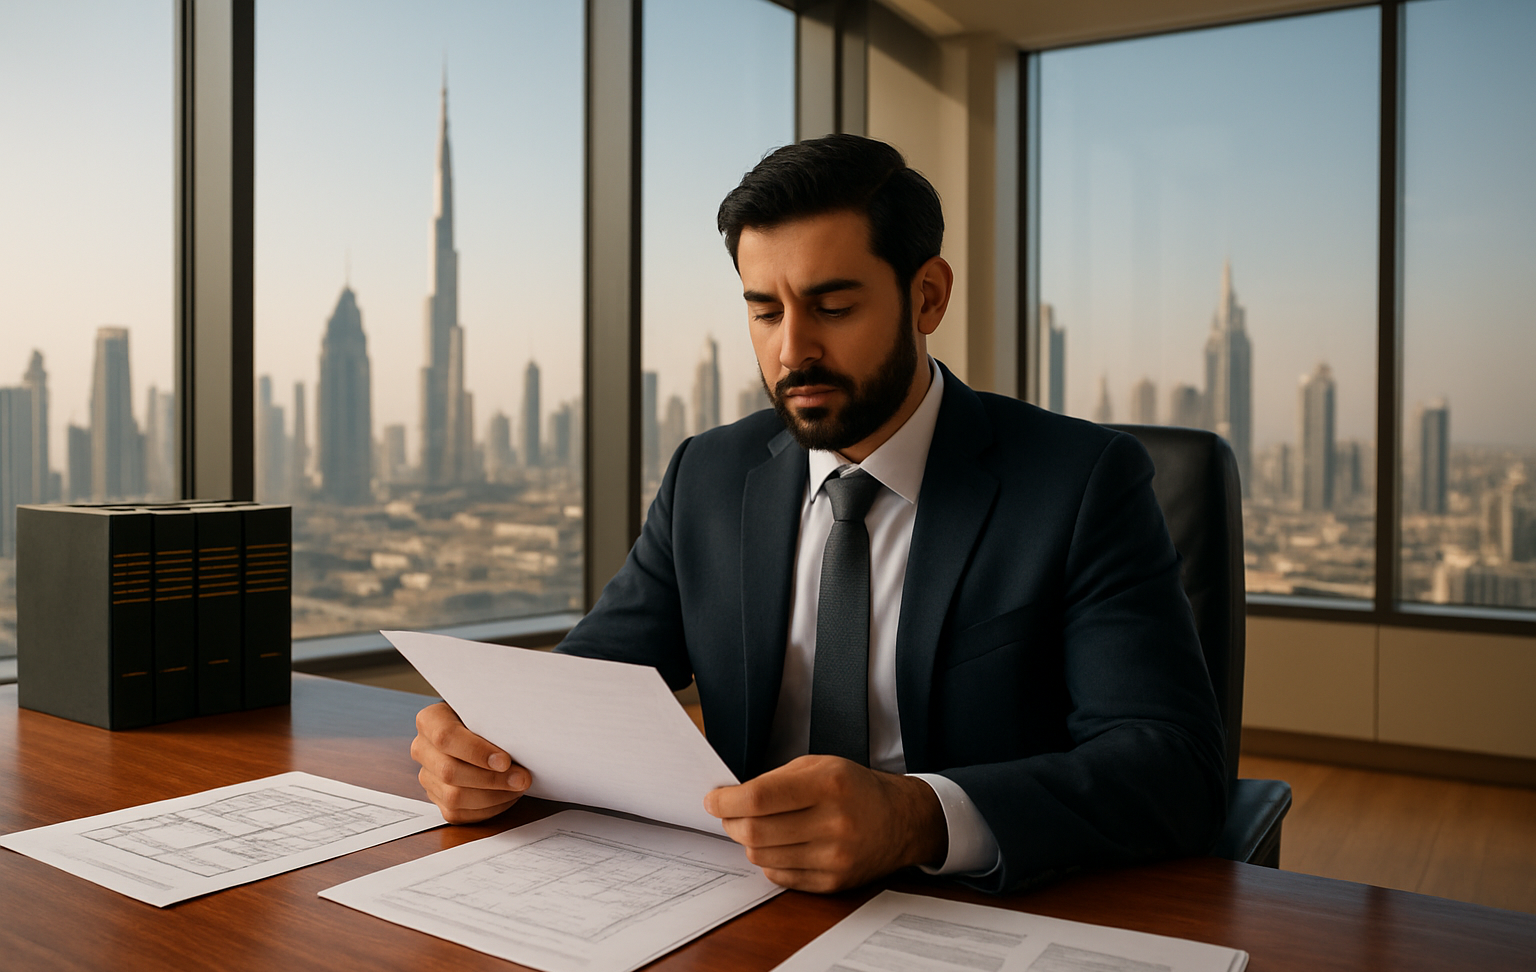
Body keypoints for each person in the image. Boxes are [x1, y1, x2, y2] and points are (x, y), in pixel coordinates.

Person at [412, 134, 1226, 895]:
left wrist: (916, 817)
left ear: (928, 297)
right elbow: (590, 683)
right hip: (734, 898)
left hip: (973, 908)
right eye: (765, 312)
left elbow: (1172, 767)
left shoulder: (1080, 482)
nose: (792, 349)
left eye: (833, 307)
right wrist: (488, 745)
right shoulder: (709, 474)